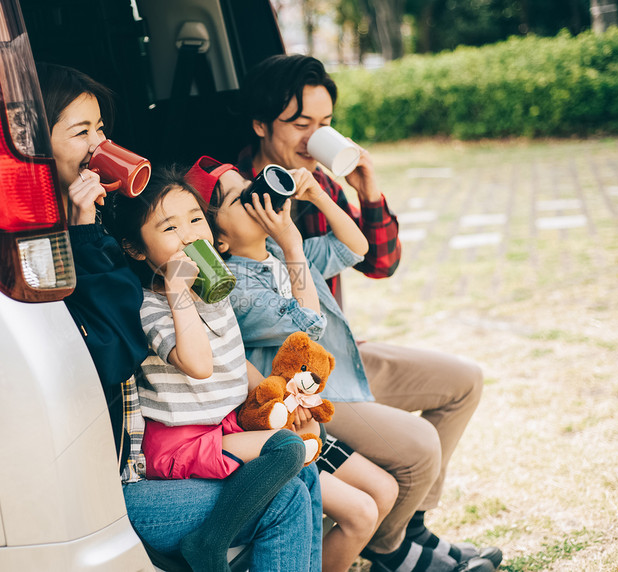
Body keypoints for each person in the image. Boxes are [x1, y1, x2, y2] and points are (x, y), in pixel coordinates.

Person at [38, 62, 321, 572]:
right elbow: (121, 353)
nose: (99, 145)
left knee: (301, 476)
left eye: (101, 130)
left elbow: (270, 347)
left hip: (185, 444)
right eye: (81, 132)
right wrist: (88, 234)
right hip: (132, 471)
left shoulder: (99, 238)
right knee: (288, 489)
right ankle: (207, 545)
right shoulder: (47, 241)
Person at [235, 54, 502, 571]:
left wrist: (366, 186)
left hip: (341, 355)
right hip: (293, 376)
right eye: (301, 125)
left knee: (463, 382)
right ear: (261, 124)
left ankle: (408, 531)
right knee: (419, 448)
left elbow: (381, 262)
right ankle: (391, 549)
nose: (314, 139)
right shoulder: (242, 199)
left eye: (326, 125)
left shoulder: (321, 183)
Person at [185, 156, 401, 572]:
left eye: (252, 188)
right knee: (360, 513)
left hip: (300, 418)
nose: (256, 200)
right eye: (240, 199)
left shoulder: (281, 255)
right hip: (272, 426)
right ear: (221, 240)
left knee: (384, 492)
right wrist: (292, 245)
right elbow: (310, 329)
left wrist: (317, 194)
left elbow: (356, 247)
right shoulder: (236, 285)